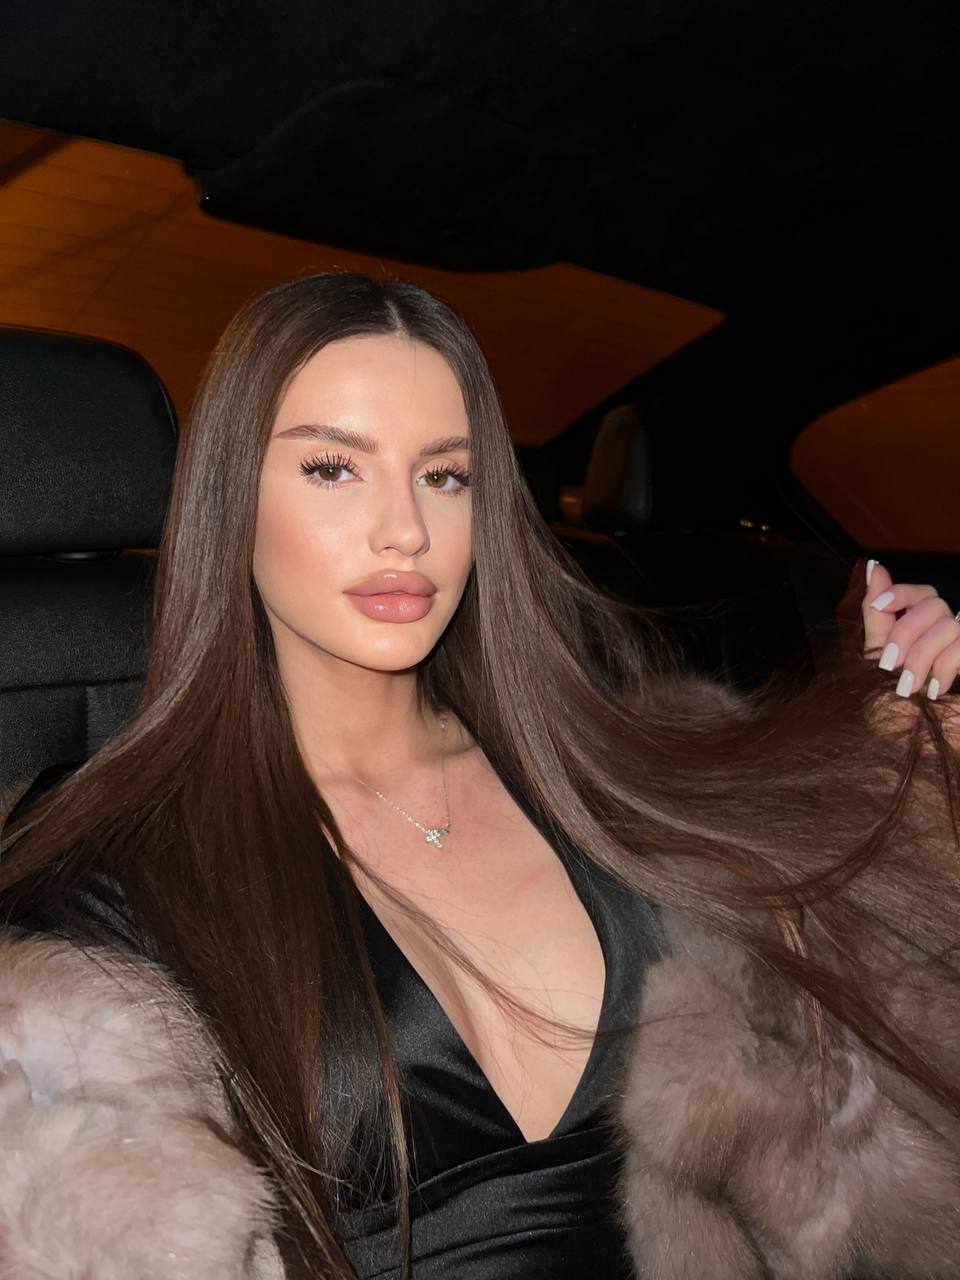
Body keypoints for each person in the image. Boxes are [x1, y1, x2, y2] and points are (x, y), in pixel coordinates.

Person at [1, 273, 959, 1280]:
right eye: (334, 467)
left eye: (446, 476)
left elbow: (874, 1045)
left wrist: (908, 753)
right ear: (231, 498)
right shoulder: (102, 906)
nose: (405, 528)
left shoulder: (611, 776)